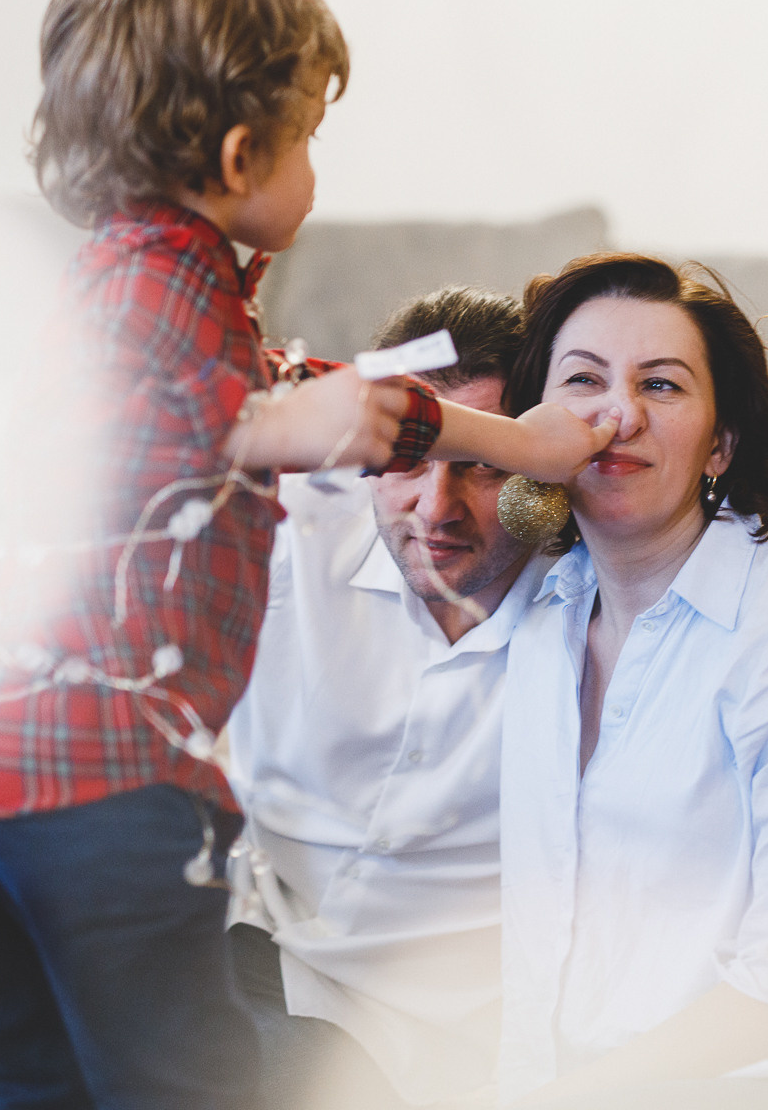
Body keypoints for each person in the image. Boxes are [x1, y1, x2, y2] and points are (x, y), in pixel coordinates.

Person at [0, 0, 613, 1110]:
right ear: (238, 151)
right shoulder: (154, 287)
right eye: (310, 133)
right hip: (102, 788)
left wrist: (522, 443)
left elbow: (307, 388)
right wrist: (291, 424)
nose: (317, 165)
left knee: (28, 1074)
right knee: (185, 1082)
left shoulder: (144, 282)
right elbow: (277, 416)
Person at [496, 253, 768, 1106]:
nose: (616, 417)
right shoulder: (545, 613)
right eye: (583, 382)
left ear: (721, 444)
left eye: (661, 387)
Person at [226, 287, 545, 1109]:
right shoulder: (286, 526)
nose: (436, 509)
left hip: (436, 1032)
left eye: (481, 462)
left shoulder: (601, 611)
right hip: (252, 946)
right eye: (408, 460)